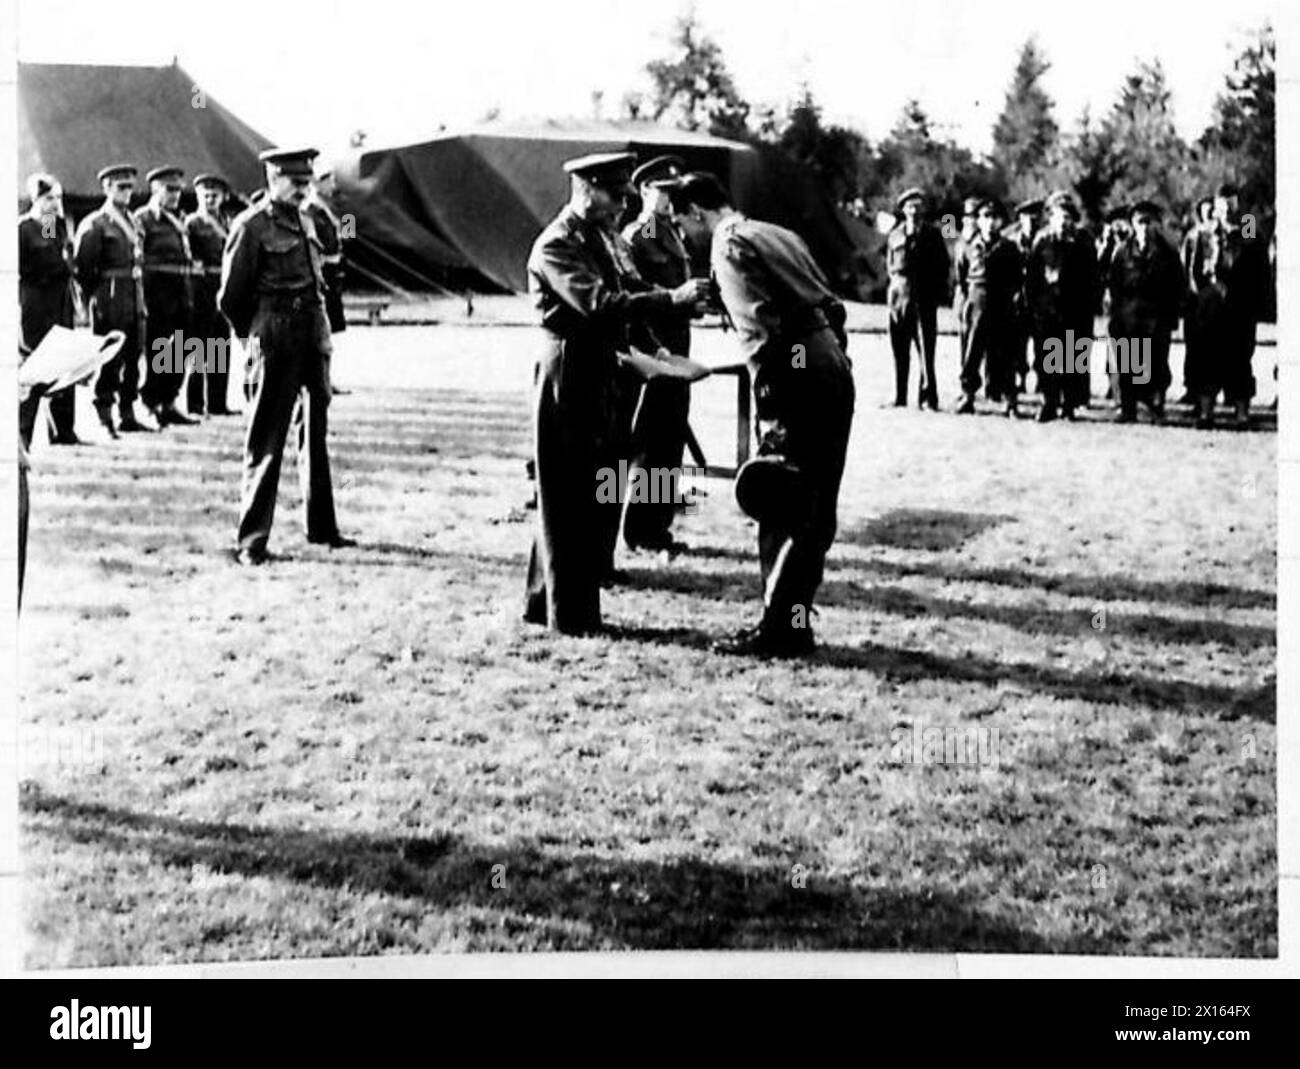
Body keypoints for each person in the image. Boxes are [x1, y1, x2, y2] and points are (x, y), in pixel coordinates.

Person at [667, 171, 855, 658]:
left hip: (793, 373)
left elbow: (760, 332)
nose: (683, 235)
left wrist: (771, 408)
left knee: (782, 498)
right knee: (815, 508)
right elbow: (832, 308)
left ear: (696, 212)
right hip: (828, 364)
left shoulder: (727, 247)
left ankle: (779, 628)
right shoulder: (778, 233)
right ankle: (795, 622)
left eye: (681, 223)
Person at [522, 152, 709, 634]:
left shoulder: (597, 239)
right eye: (615, 194)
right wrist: (672, 300)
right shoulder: (558, 244)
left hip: (608, 365)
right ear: (586, 190)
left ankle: (549, 598)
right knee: (569, 491)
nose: (621, 204)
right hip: (570, 368)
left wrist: (663, 351)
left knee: (595, 481)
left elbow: (631, 287)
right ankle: (573, 615)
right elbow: (603, 305)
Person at [219, 146, 353, 565]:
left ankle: (322, 527)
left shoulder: (309, 220)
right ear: (272, 179)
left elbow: (319, 279)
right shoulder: (251, 226)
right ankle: (252, 541)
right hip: (273, 334)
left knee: (315, 432)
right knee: (266, 437)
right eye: (295, 183)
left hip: (311, 332)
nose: (302, 190)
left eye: (306, 183)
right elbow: (230, 298)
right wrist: (256, 336)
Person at [619, 154, 695, 552]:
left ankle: (658, 525)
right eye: (663, 192)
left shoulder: (671, 232)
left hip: (677, 345)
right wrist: (658, 351)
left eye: (672, 193)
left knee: (670, 437)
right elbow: (634, 299)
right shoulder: (640, 234)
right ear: (645, 191)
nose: (668, 200)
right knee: (649, 441)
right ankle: (641, 529)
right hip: (654, 350)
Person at [73, 163, 150, 438]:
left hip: (134, 294)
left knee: (133, 356)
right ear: (107, 188)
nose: (127, 192)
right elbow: (83, 268)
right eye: (121, 186)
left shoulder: (134, 221)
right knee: (109, 358)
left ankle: (127, 414)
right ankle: (104, 416)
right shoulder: (95, 223)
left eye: (130, 186)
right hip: (110, 296)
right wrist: (99, 298)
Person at [1187, 183, 1267, 429]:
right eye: (1223, 207)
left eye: (1233, 207)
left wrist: (1255, 302)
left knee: (1241, 359)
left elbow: (1261, 269)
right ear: (1216, 208)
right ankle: (1206, 412)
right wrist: (1203, 296)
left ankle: (1242, 411)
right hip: (1210, 308)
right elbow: (1193, 273)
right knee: (1206, 359)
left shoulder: (1249, 228)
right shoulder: (1203, 233)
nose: (1228, 213)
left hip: (1240, 307)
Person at [1105, 200, 1183, 423]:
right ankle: (1127, 408)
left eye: (1149, 222)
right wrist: (1117, 315)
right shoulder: (1122, 251)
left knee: (1157, 364)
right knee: (1128, 363)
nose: (1145, 227)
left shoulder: (1168, 252)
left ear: (1157, 224)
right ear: (1132, 224)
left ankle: (1156, 406)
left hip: (1157, 316)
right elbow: (1114, 284)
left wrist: (1172, 316)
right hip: (1130, 315)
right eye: (1140, 222)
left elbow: (1177, 284)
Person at [134, 165, 199, 426]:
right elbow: (138, 257)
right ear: (154, 189)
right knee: (158, 349)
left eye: (178, 190)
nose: (174, 195)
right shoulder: (144, 219)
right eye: (169, 189)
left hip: (181, 291)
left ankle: (169, 400)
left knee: (183, 347)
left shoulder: (179, 220)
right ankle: (151, 402)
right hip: (157, 293)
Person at [1025, 190, 1098, 422]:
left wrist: (1089, 307)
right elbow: (1032, 278)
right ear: (1051, 217)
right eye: (1059, 216)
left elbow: (1093, 278)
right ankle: (1049, 401)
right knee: (1047, 358)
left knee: (1073, 358)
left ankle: (1070, 403)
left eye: (1068, 217)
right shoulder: (1042, 241)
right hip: (1047, 311)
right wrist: (1034, 307)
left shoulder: (1084, 242)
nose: (1063, 221)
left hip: (1076, 310)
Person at [18, 173, 79, 444]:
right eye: (49, 198)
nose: (55, 204)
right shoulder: (23, 228)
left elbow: (58, 256)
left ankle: (63, 430)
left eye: (58, 198)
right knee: (34, 369)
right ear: (36, 199)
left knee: (62, 366)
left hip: (59, 305)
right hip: (35, 306)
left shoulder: (49, 226)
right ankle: (23, 432)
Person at [955, 199, 1023, 417]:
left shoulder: (1010, 248)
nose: (990, 223)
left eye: (995, 218)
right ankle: (968, 395)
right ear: (979, 221)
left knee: (1005, 353)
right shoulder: (969, 247)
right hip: (977, 301)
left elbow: (1017, 278)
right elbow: (962, 276)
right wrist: (969, 303)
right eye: (986, 218)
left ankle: (1010, 400)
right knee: (972, 352)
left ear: (1001, 222)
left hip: (1002, 303)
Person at [885, 187, 948, 409]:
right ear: (903, 209)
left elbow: (943, 265)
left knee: (926, 352)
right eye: (910, 206)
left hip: (924, 298)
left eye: (918, 206)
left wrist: (936, 293)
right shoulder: (894, 235)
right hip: (899, 298)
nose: (914, 211)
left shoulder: (932, 234)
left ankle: (929, 397)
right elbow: (890, 267)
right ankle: (900, 396)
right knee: (899, 350)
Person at [185, 173, 236, 416]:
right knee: (197, 347)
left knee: (220, 343)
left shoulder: (228, 222)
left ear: (223, 197)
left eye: (214, 195)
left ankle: (217, 403)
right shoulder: (191, 223)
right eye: (205, 195)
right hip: (200, 288)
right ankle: (194, 403)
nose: (210, 199)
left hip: (222, 286)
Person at [1178, 196, 1216, 406]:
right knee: (1195, 349)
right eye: (1205, 211)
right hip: (1196, 302)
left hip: (1222, 303)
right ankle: (1193, 391)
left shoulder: (1240, 230)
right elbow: (1185, 269)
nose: (1209, 214)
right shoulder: (1193, 237)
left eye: (1212, 210)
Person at [303, 167, 348, 335]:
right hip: (322, 264)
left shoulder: (336, 205)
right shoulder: (310, 209)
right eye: (329, 181)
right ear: (318, 183)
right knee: (326, 309)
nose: (333, 186)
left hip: (336, 262)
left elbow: (348, 234)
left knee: (335, 308)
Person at [1009, 198, 1042, 393]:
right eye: (1027, 218)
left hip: (1039, 300)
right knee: (1018, 344)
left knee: (1041, 343)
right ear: (1020, 219)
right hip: (1018, 300)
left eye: (1034, 218)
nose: (1031, 222)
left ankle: (1041, 379)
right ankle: (1020, 378)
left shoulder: (1044, 240)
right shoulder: (1012, 241)